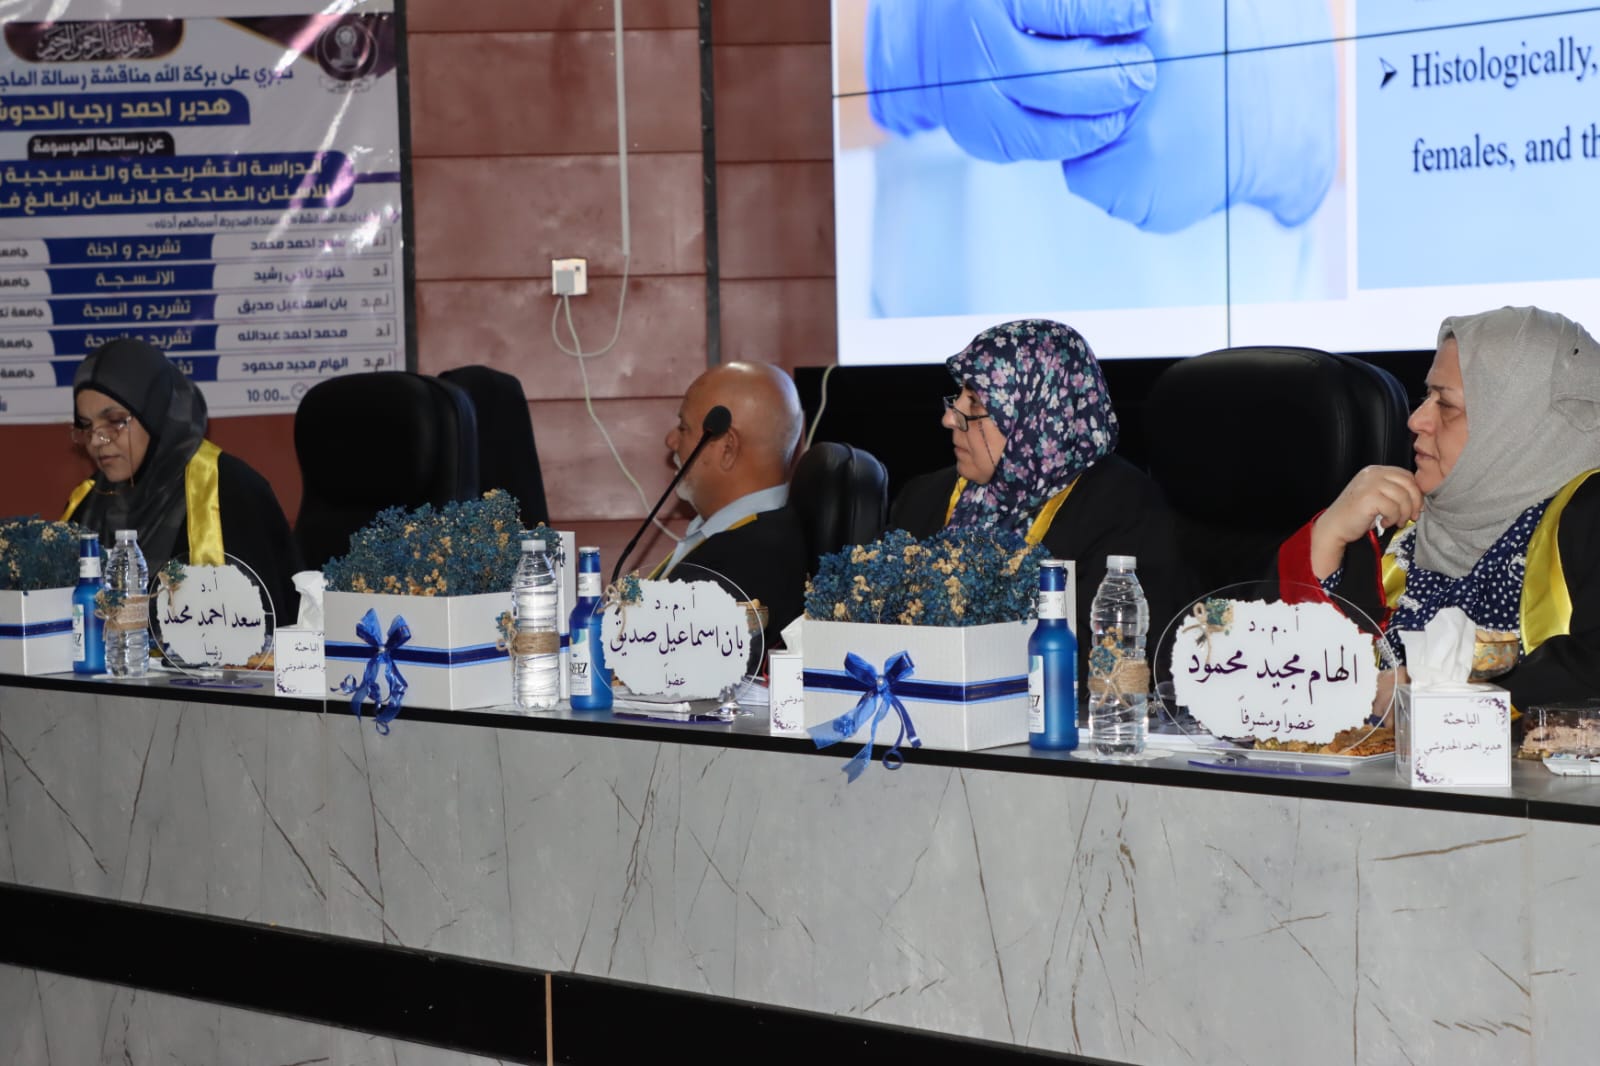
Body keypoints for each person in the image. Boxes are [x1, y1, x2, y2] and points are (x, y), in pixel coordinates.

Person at [1278, 306, 1600, 709]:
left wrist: (1433, 689)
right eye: (1425, 397)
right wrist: (1328, 537)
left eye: (1446, 405)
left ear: (1521, 422)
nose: (1416, 420)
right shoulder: (1398, 523)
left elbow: (1589, 669)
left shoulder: (1588, 516)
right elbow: (1282, 675)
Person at [889, 319, 1183, 675]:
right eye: (958, 398)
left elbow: (1108, 664)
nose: (949, 419)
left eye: (975, 403)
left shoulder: (1125, 508)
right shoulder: (923, 498)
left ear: (1036, 413)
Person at [62, 338, 302, 623]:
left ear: (155, 412)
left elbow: (266, 622)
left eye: (114, 421)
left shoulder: (228, 490)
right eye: (86, 426)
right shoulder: (88, 500)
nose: (96, 441)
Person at [656, 362, 810, 650]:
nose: (671, 440)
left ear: (727, 448)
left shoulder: (729, 569)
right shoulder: (765, 531)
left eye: (683, 428)